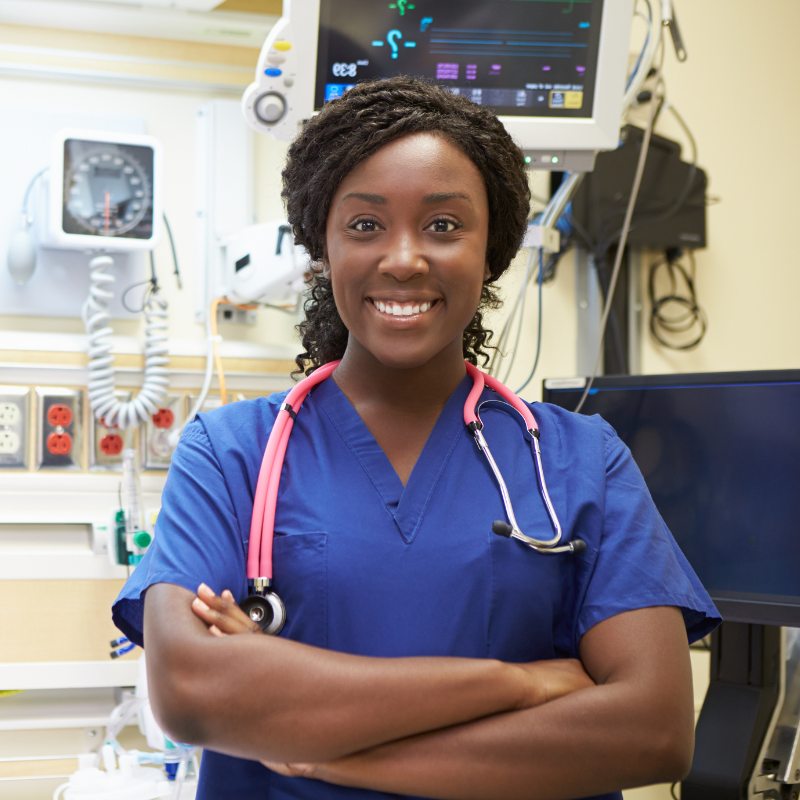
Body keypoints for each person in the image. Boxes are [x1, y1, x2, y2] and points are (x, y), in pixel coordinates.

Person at [112, 76, 720, 800]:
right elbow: (190, 691)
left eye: (444, 225)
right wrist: (519, 683)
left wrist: (329, 753)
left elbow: (653, 730)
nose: (403, 258)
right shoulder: (232, 454)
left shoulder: (580, 460)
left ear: (492, 248)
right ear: (322, 245)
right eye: (365, 225)